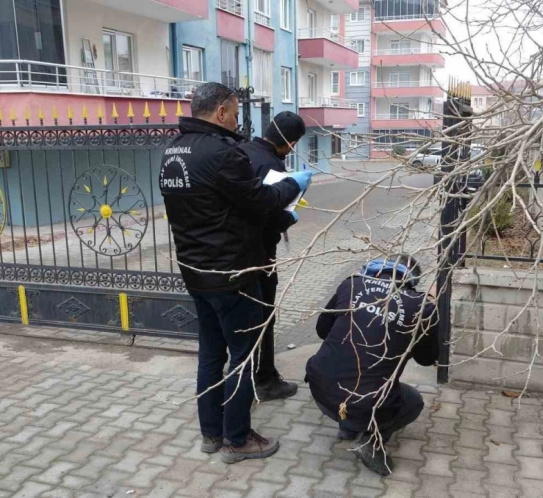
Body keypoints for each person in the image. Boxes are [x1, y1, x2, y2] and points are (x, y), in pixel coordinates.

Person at [159, 82, 313, 464]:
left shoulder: (172, 152)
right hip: (233, 274)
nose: (238, 119)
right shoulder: (222, 153)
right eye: (235, 111)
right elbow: (261, 201)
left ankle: (211, 433)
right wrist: (294, 184)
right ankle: (237, 439)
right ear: (222, 112)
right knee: (242, 357)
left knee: (211, 354)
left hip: (196, 271)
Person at [305, 254, 438, 476]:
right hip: (365, 400)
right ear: (413, 279)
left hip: (320, 387)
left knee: (352, 376)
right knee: (413, 402)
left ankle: (349, 426)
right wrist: (429, 311)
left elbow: (322, 330)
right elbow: (427, 359)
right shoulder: (420, 306)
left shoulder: (351, 283)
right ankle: (370, 440)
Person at [238, 111, 307, 402]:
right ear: (290, 143)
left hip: (233, 254)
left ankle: (246, 375)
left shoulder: (241, 152)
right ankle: (264, 379)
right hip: (260, 253)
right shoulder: (271, 164)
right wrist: (290, 218)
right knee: (264, 317)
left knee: (244, 319)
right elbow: (267, 213)